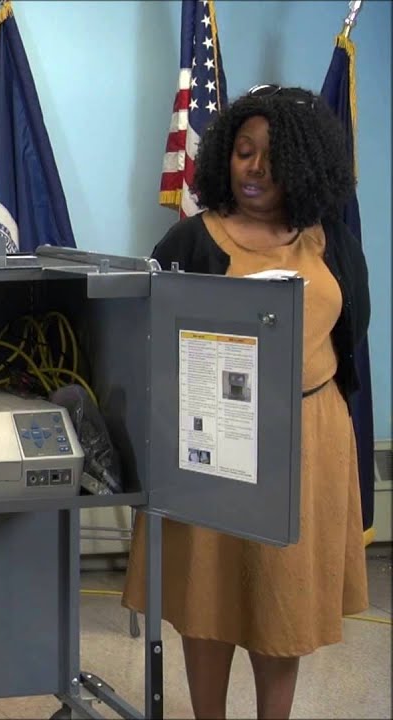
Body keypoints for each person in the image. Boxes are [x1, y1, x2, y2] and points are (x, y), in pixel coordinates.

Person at [121, 84, 371, 719]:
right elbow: (148, 342)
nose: (254, 168)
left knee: (281, 600)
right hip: (211, 440)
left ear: (305, 164)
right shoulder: (188, 243)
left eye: (272, 155)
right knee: (206, 597)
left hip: (308, 437)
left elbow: (350, 340)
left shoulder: (332, 241)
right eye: (242, 151)